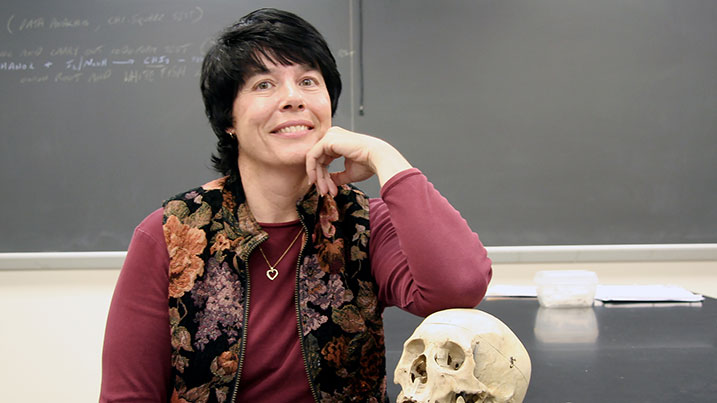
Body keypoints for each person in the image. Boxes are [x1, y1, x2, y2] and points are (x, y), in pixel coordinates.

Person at [100, 8, 492, 403]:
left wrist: (383, 156)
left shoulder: (363, 224)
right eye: (263, 85)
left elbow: (458, 288)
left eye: (308, 81)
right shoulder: (171, 233)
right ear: (228, 120)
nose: (292, 98)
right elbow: (127, 395)